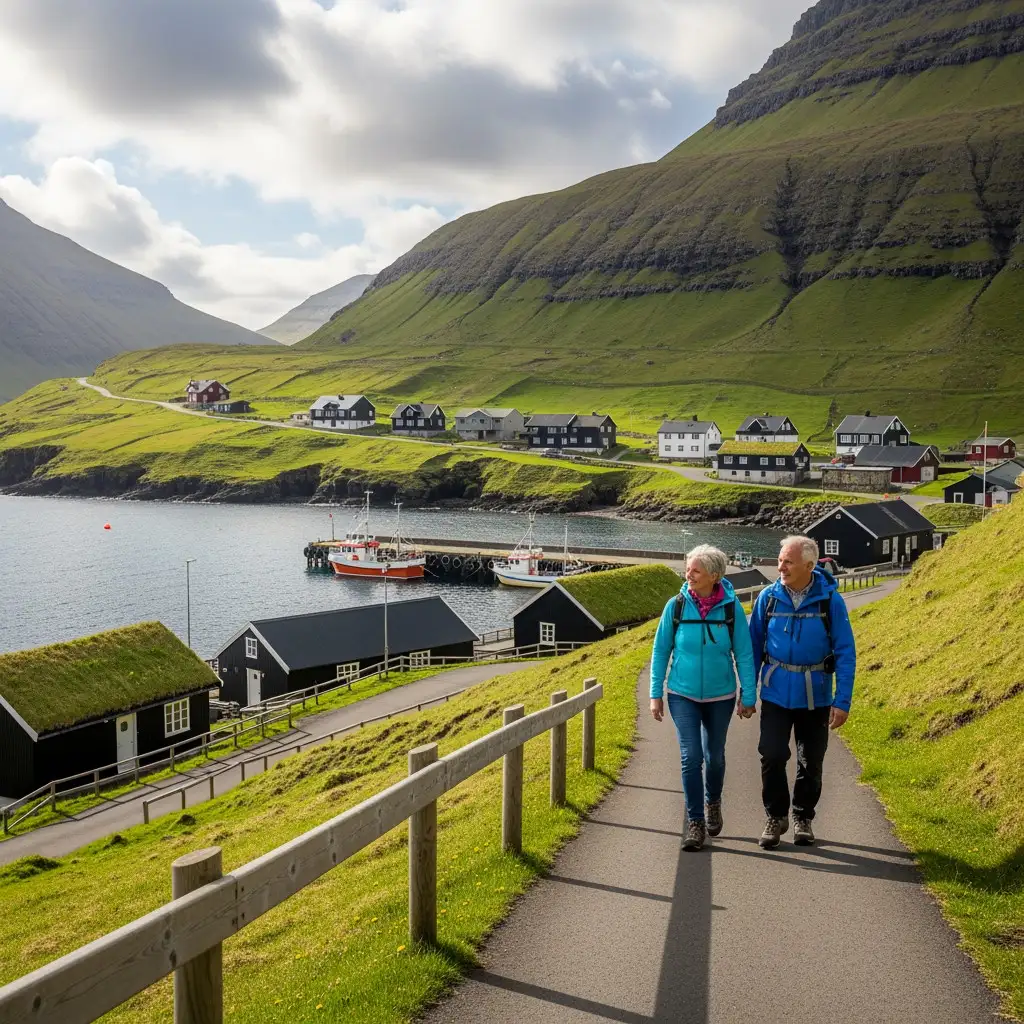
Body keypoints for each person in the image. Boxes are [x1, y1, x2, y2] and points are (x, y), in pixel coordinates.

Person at [748, 535, 857, 849]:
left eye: (788, 561)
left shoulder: (829, 601)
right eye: (780, 560)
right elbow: (752, 648)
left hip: (816, 695)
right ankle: (775, 816)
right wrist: (747, 693)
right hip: (775, 693)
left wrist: (842, 700)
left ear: (809, 565)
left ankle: (802, 817)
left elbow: (846, 652)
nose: (780, 566)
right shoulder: (767, 598)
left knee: (811, 762)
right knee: (771, 755)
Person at [650, 545, 757, 852]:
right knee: (691, 756)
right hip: (681, 694)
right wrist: (655, 693)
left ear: (714, 575)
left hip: (721, 696)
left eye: (696, 570)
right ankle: (695, 822)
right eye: (688, 569)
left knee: (715, 757)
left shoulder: (731, 608)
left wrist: (748, 695)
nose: (689, 574)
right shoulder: (677, 605)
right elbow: (660, 651)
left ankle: (713, 802)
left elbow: (744, 653)